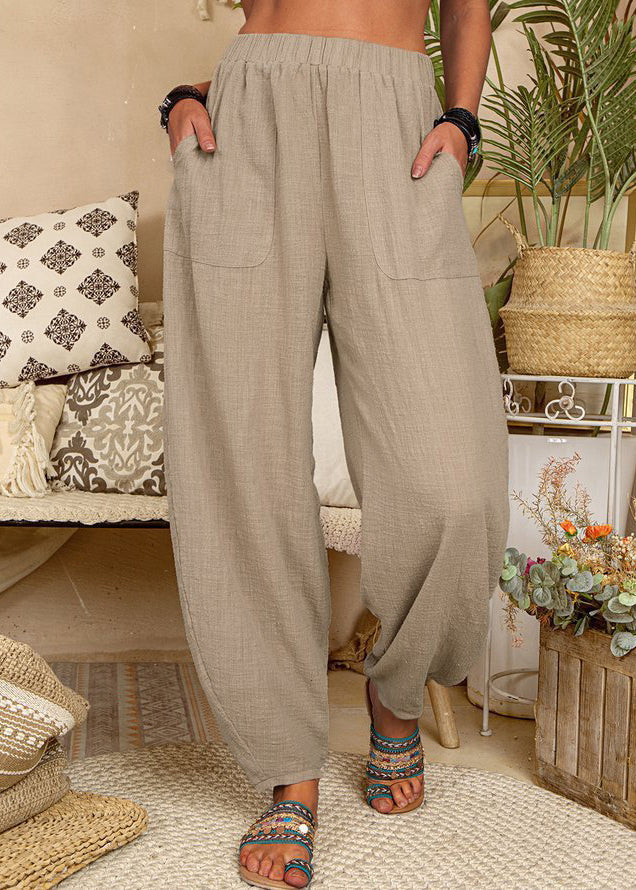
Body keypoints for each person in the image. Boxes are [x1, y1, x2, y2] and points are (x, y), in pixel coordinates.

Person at [159, 1, 509, 886]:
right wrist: (185, 97)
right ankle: (290, 770)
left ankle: (397, 691)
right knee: (242, 456)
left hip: (396, 124)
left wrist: (461, 122)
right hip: (246, 125)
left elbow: (467, 8)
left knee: (453, 484)